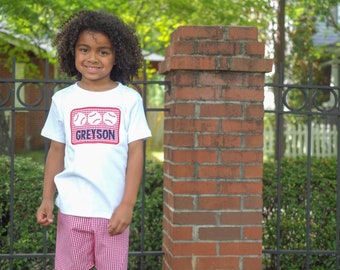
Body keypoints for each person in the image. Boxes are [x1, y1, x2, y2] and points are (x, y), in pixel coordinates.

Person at [36, 10, 151, 270]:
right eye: (84, 49)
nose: (92, 58)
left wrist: (127, 205)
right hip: (71, 210)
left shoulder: (129, 99)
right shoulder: (63, 99)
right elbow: (56, 151)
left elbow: (136, 153)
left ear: (117, 56)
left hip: (113, 213)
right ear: (72, 53)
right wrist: (46, 199)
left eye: (103, 51)